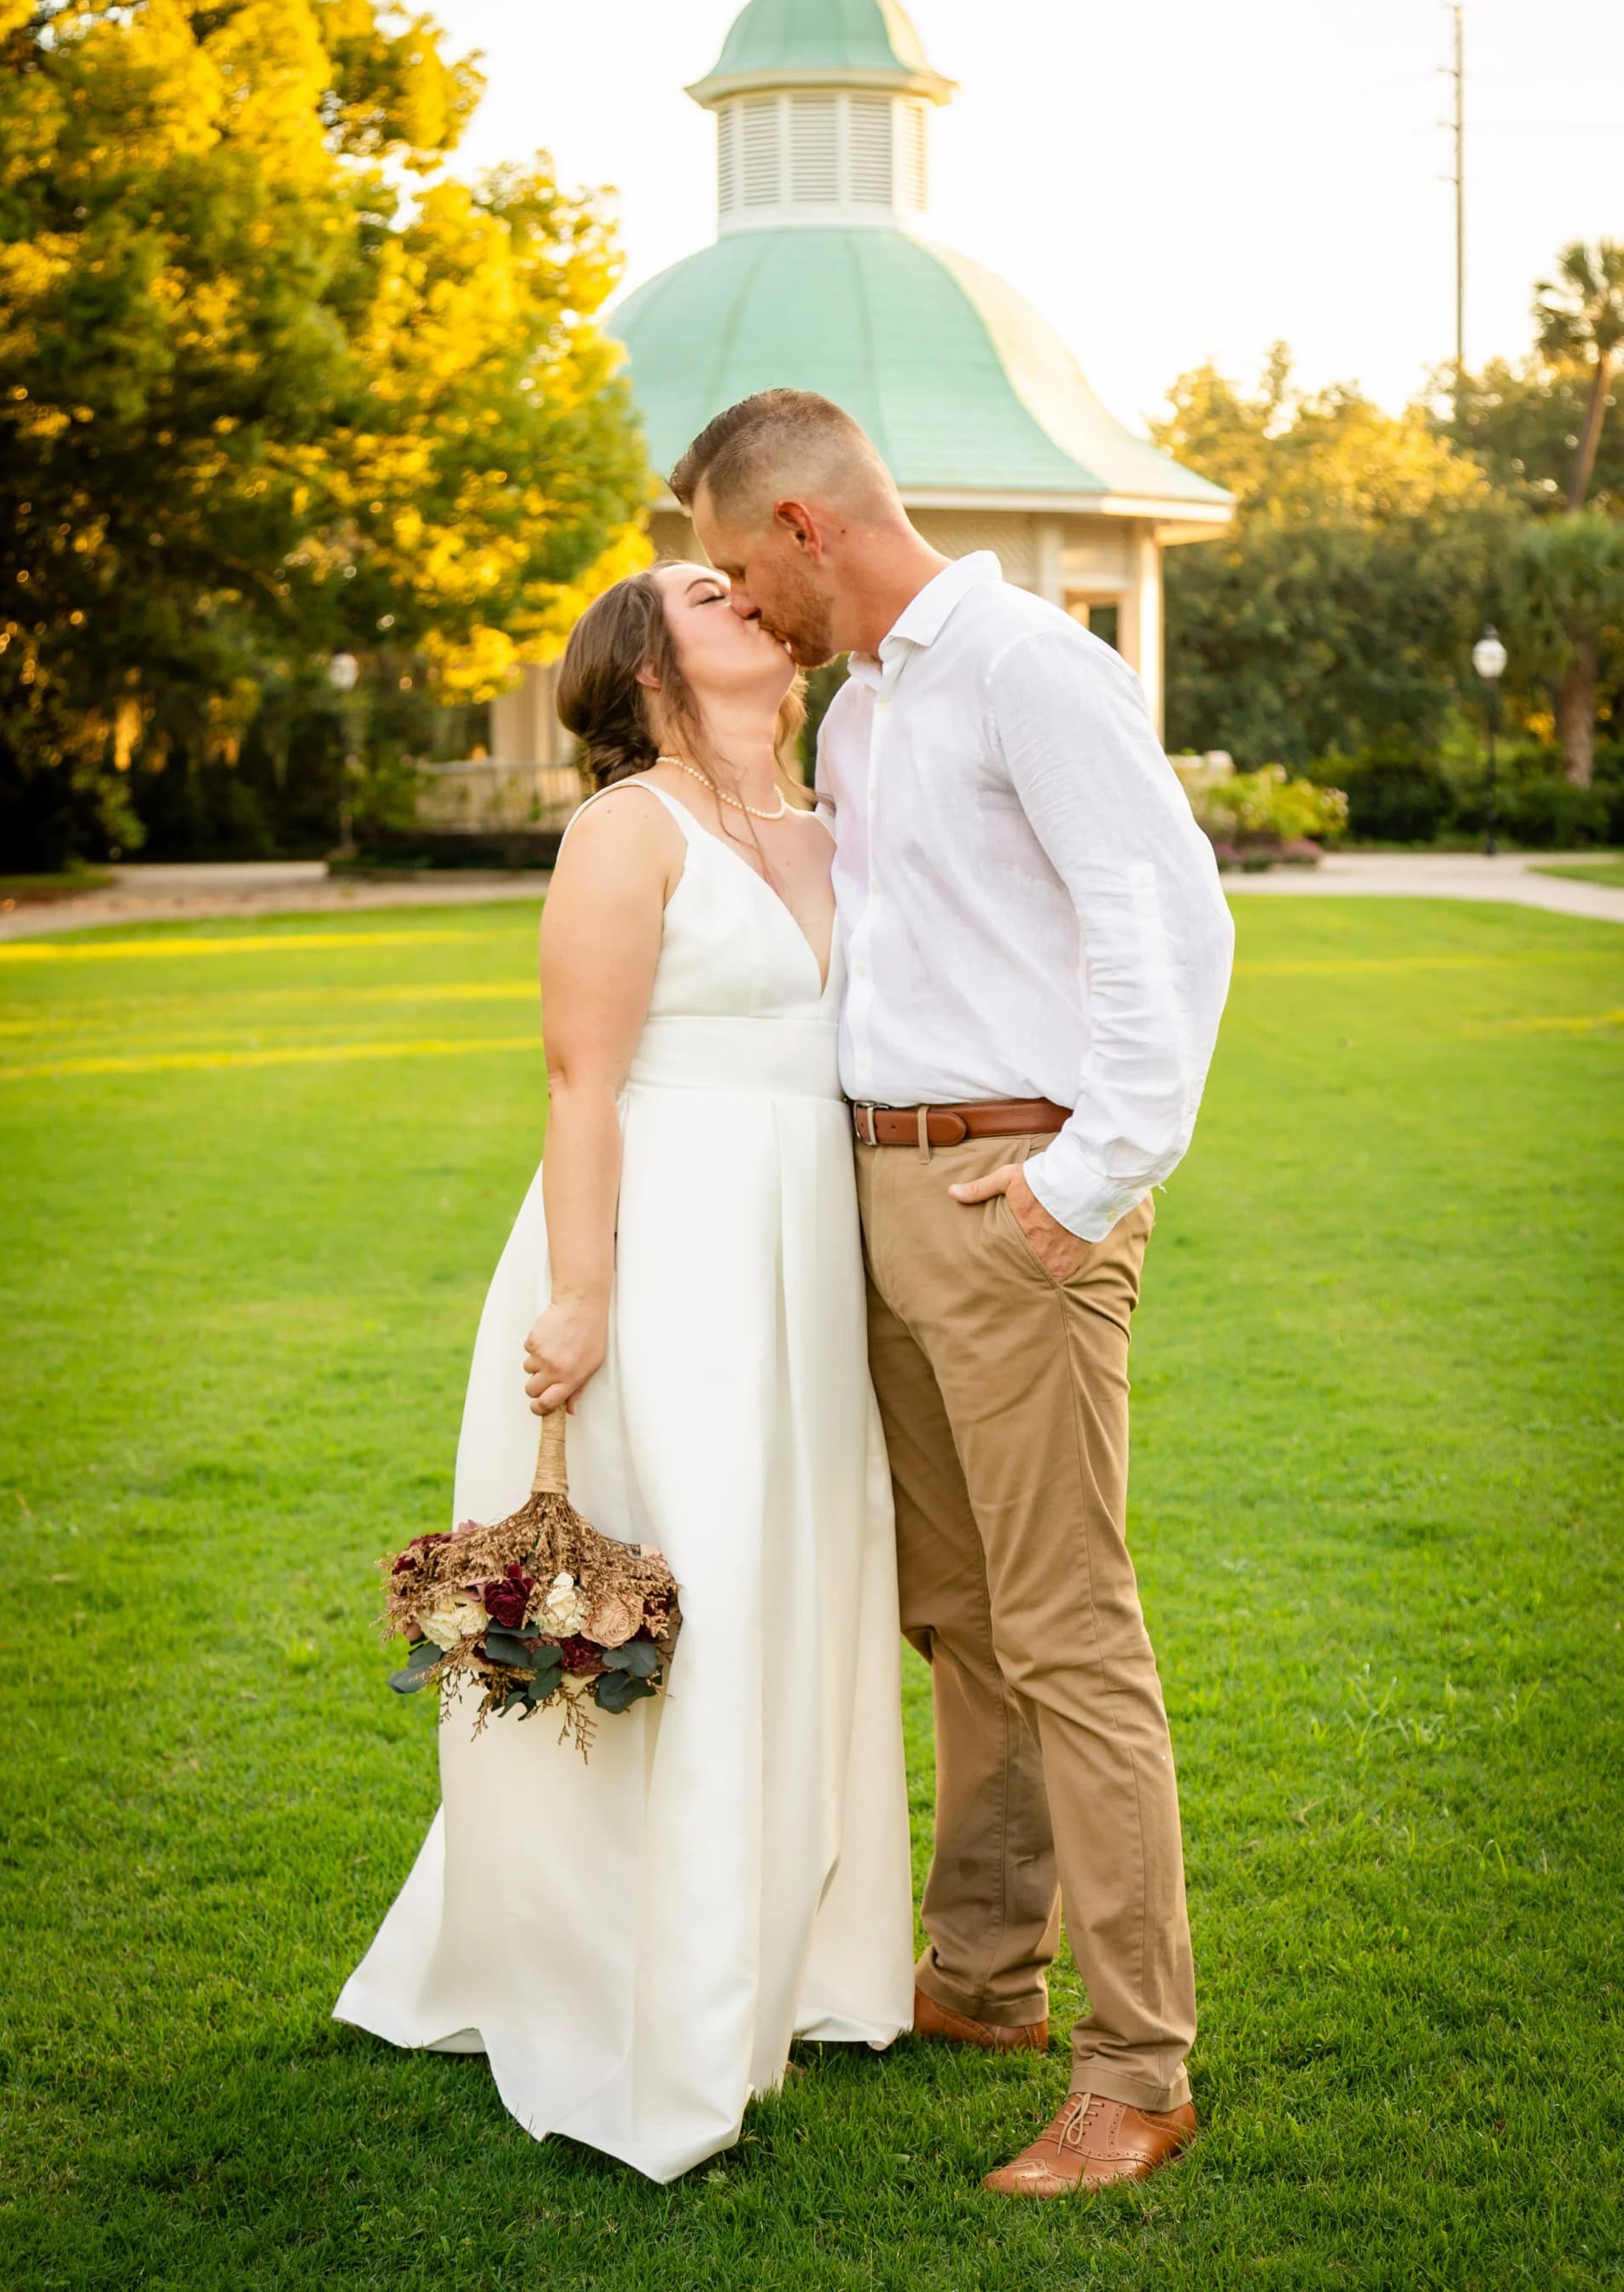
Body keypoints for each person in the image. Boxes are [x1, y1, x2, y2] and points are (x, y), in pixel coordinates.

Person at [673, 389, 1234, 2199]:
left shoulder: (1024, 668)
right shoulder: (865, 707)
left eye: (736, 566)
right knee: (962, 1616)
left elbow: (1167, 921)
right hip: (881, 1189)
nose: (736, 604)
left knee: (1068, 1629)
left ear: (805, 525)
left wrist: (1091, 1176)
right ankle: (984, 1981)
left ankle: (1135, 2075)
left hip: (1015, 1195)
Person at [335, 560, 913, 2183]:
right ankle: (618, 1974)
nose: (757, 602)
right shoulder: (625, 828)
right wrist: (581, 1296)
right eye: (714, 594)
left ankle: (791, 1951)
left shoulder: (826, 825)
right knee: (684, 1588)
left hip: (807, 1263)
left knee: (795, 1587)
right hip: (665, 1255)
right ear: (651, 665)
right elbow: (579, 1079)